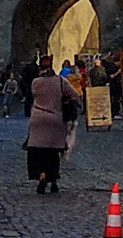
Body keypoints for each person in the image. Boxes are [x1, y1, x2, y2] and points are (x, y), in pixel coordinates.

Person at [26, 59, 82, 194]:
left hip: (38, 120)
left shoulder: (36, 82)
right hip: (56, 120)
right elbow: (75, 95)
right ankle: (54, 180)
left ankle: (42, 175)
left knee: (38, 152)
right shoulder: (61, 81)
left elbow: (31, 95)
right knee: (53, 152)